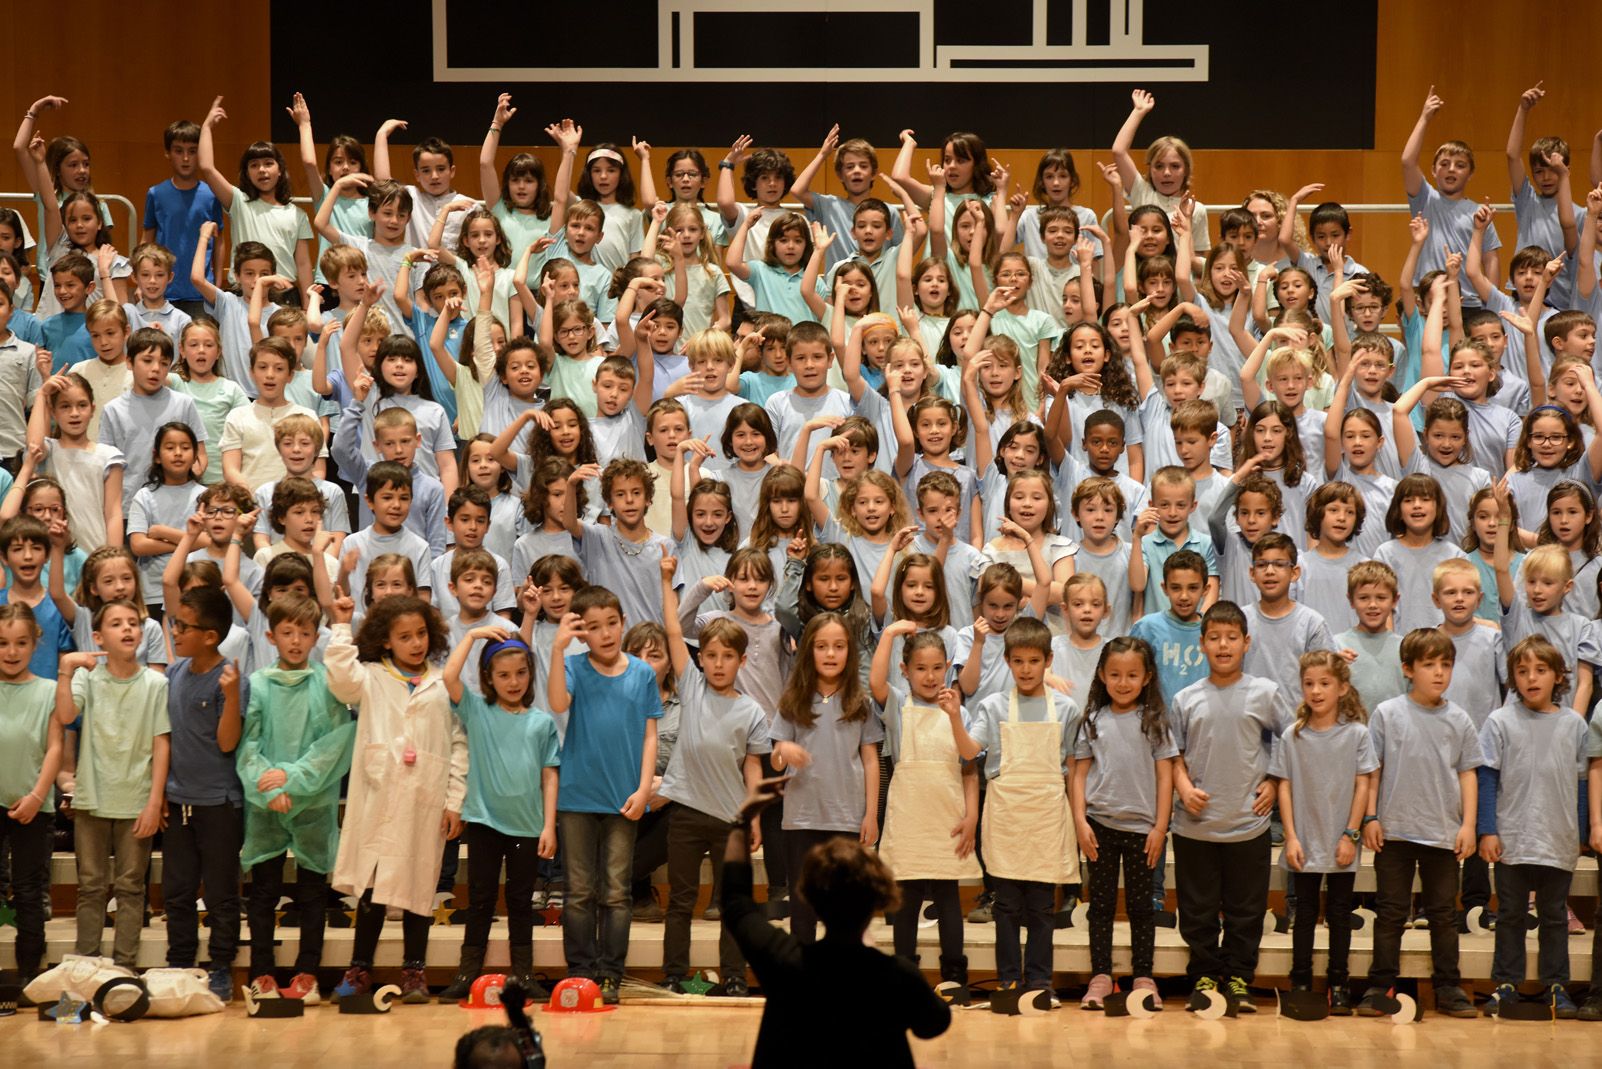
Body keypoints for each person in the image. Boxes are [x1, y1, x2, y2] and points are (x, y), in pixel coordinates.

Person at [721, 776, 951, 1068]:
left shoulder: (782, 959)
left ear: (809, 896)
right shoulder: (899, 976)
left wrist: (743, 819)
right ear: (878, 900)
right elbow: (933, 1024)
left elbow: (735, 903)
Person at [326, 592, 466, 1005]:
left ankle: (414, 972)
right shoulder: (370, 675)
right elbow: (340, 680)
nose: (416, 643)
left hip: (426, 799)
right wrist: (340, 624)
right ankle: (360, 968)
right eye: (405, 636)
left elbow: (459, 743)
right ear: (387, 641)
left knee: (419, 887)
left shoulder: (443, 683)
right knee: (371, 885)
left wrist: (455, 800)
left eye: (421, 634)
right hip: (380, 797)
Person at [1168, 601, 1294, 1014]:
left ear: (1246, 642)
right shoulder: (1186, 699)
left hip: (1247, 824)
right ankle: (1204, 975)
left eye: (1232, 637)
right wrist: (1183, 786)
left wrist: (1274, 783)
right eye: (1215, 638)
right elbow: (1172, 754)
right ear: (1202, 644)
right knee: (1198, 910)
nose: (1223, 645)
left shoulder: (1265, 692)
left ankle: (1239, 977)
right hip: (1195, 826)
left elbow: (1290, 740)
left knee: (1246, 910)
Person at [947, 617, 1078, 995]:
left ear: (1048, 661)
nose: (1025, 669)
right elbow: (969, 752)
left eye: (1033, 661)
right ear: (1006, 661)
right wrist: (956, 717)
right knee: (1005, 907)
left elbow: (1071, 765)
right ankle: (1008, 980)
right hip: (1005, 817)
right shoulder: (992, 706)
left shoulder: (1066, 709)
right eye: (1018, 661)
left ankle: (1039, 982)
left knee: (1040, 908)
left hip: (1046, 817)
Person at [547, 585, 662, 1006]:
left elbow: (651, 737)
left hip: (623, 799)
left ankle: (612, 973)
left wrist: (644, 786)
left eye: (611, 623)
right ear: (582, 634)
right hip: (578, 797)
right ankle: (580, 971)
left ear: (623, 622)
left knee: (616, 891)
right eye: (593, 627)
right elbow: (558, 702)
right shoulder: (574, 666)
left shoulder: (642, 673)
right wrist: (558, 650)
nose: (606, 633)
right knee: (578, 891)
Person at [1358, 628, 1481, 1019]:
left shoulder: (1459, 719)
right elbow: (1373, 769)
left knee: (1443, 915)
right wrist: (1371, 816)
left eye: (1446, 664)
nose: (1439, 672)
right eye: (1429, 664)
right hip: (1394, 830)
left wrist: (1468, 826)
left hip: (1442, 833)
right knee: (1391, 913)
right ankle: (1380, 985)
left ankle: (1448, 987)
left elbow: (1467, 773)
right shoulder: (1388, 713)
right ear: (1408, 669)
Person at [238, 593, 354, 1004]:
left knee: (312, 892)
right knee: (265, 892)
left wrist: (291, 780)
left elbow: (336, 742)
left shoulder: (327, 684)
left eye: (305, 633)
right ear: (270, 635)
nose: (295, 640)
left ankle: (308, 973)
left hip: (312, 802)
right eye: (287, 632)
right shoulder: (257, 685)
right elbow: (247, 746)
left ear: (315, 636)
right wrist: (268, 789)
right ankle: (262, 973)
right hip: (266, 803)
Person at [438, 626, 559, 1003]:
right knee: (480, 900)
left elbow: (549, 775)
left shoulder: (541, 722)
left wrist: (549, 826)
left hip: (527, 825)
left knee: (521, 902)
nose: (513, 682)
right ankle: (467, 971)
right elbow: (448, 676)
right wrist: (473, 636)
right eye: (503, 675)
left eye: (520, 673)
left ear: (530, 675)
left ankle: (523, 973)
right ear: (488, 677)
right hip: (485, 823)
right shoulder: (477, 710)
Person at [56, 600, 170, 968]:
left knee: (130, 887)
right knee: (90, 886)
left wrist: (154, 801)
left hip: (136, 799)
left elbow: (161, 742)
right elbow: (65, 714)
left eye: (133, 623)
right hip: (93, 797)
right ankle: (87, 963)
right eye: (117, 623)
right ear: (98, 635)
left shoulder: (156, 683)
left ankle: (124, 966)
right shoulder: (88, 678)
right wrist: (66, 668)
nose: (126, 630)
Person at [1479, 635, 1588, 1019]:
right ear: (1512, 678)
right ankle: (1505, 983)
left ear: (1559, 676)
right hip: (1512, 838)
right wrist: (1487, 829)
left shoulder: (1574, 725)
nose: (1531, 678)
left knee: (1554, 914)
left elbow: (1581, 782)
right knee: (1510, 914)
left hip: (1557, 839)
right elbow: (1488, 778)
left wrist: (1580, 832)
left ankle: (1556, 985)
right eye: (1522, 671)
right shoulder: (1499, 721)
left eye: (1540, 670)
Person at [1070, 637, 1176, 1011]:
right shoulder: (1093, 720)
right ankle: (1100, 976)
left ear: (1147, 677)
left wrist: (1160, 827)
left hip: (1142, 831)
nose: (1123, 682)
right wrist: (1080, 821)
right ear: (1101, 675)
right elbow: (1079, 775)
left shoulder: (1155, 721)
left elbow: (1166, 777)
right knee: (1099, 906)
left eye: (1132, 674)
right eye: (1115, 674)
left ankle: (1143, 977)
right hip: (1099, 826)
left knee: (1141, 907)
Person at [1274, 651, 1377, 1015]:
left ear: (1342, 687)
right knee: (1302, 914)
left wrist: (1350, 834)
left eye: (1324, 683)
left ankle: (1339, 982)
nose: (1316, 691)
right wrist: (1292, 836)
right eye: (1309, 684)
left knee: (1338, 914)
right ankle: (1300, 980)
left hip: (1340, 843)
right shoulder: (1292, 736)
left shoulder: (1357, 735)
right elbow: (1283, 786)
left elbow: (1362, 785)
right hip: (1304, 841)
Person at [159, 585, 244, 1002]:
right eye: (175, 623)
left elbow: (228, 743)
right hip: (178, 802)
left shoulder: (228, 678)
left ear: (210, 636)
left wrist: (230, 697)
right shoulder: (174, 674)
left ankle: (221, 967)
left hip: (219, 804)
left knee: (220, 892)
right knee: (177, 890)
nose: (174, 631)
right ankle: (180, 963)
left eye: (182, 625)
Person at [0, 603, 63, 981]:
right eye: (3, 643)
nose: (11, 651)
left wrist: (38, 795)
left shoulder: (49, 691)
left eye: (20, 643)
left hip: (34, 804)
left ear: (35, 644)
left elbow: (55, 746)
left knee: (28, 891)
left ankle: (28, 974)